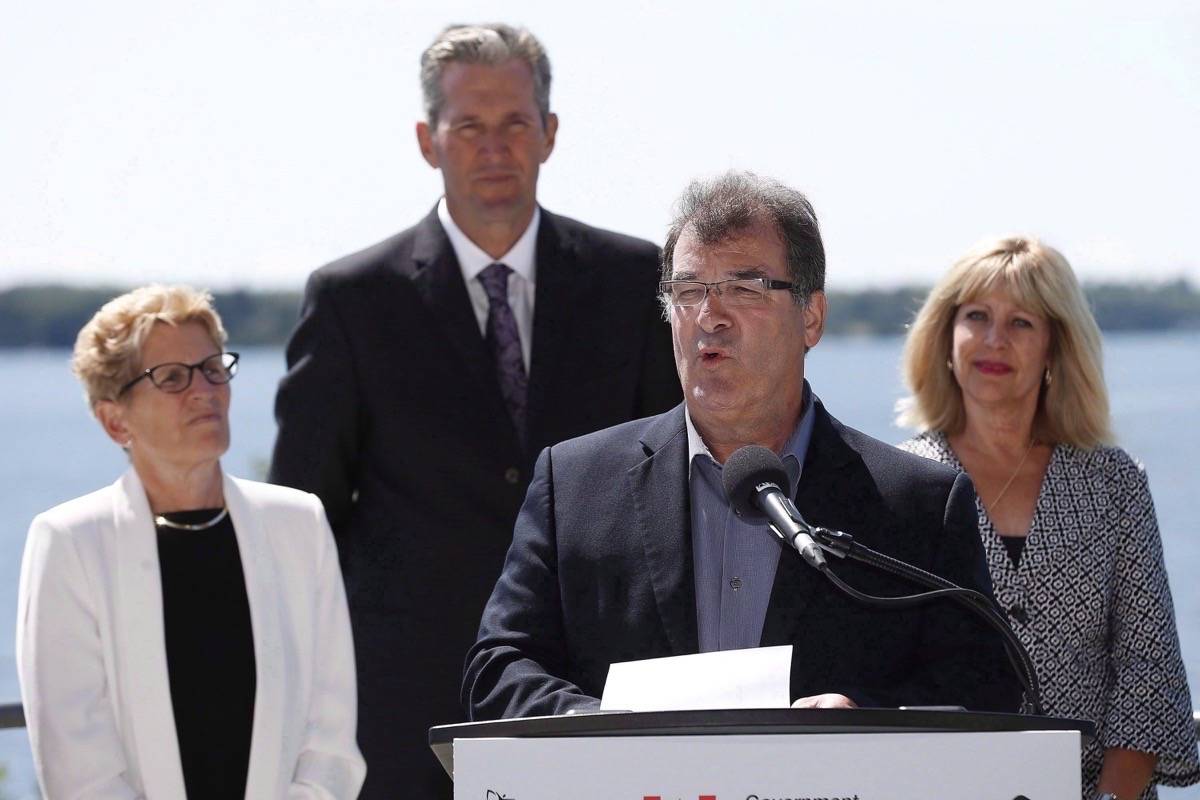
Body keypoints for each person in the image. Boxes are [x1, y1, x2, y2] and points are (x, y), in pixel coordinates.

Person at [267, 23, 680, 797]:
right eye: (469, 127)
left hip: (597, 697)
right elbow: (303, 524)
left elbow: (673, 487)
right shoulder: (351, 300)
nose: (495, 147)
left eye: (516, 123)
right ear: (429, 140)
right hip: (402, 714)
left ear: (550, 134)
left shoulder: (635, 283)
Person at [463, 171, 1020, 721]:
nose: (711, 316)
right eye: (688, 291)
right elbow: (500, 669)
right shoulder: (576, 484)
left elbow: (982, 686)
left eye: (744, 288)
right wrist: (606, 729)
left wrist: (864, 719)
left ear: (811, 316)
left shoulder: (919, 505)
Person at [16, 286, 364, 800]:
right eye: (172, 378)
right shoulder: (70, 544)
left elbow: (330, 744)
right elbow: (79, 770)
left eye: (212, 368)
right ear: (116, 420)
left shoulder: (299, 524)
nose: (205, 390)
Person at [897, 236, 1200, 800]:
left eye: (1021, 323)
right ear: (945, 336)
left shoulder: (1114, 483)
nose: (994, 339)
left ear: (1055, 347)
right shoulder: (902, 483)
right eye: (977, 316)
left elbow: (1146, 664)